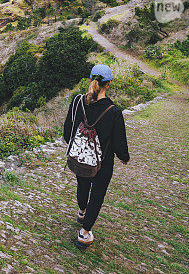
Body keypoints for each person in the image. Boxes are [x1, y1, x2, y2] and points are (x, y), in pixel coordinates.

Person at [63, 63, 129, 248]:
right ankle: (84, 233)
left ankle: (82, 212)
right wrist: (124, 157)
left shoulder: (77, 101)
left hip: (81, 157)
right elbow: (119, 141)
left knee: (82, 184)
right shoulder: (114, 111)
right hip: (102, 163)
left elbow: (68, 130)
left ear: (91, 79)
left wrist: (76, 145)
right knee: (97, 194)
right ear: (108, 84)